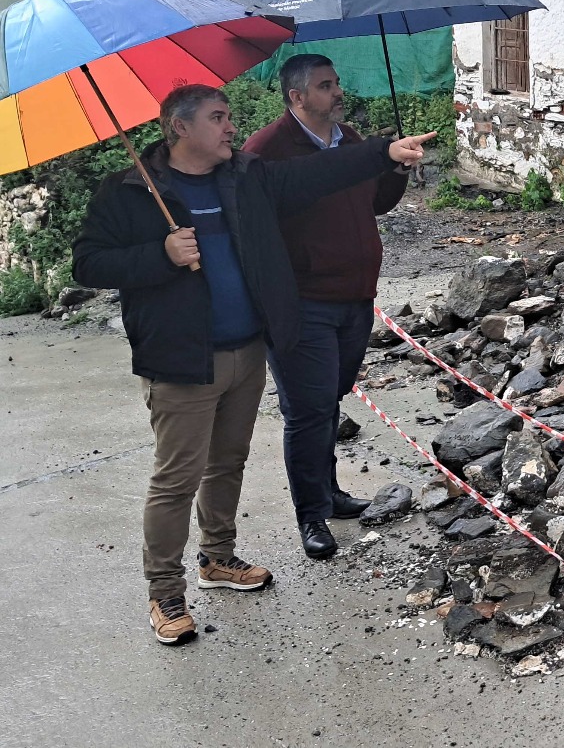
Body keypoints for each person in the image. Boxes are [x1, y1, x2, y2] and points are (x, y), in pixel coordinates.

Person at [72, 84, 432, 646]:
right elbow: (87, 262)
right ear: (179, 127)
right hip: (181, 359)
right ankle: (165, 591)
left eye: (230, 117)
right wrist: (158, 256)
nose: (231, 127)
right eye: (218, 118)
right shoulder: (130, 191)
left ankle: (217, 558)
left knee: (227, 464)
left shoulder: (244, 176)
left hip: (246, 349)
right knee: (175, 480)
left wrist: (381, 153)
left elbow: (316, 175)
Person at [242, 54, 409, 561]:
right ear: (297, 97)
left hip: (355, 297)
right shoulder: (268, 151)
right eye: (326, 86)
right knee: (308, 411)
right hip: (302, 303)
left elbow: (374, 201)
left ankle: (330, 494)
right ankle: (311, 515)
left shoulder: (351, 140)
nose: (338, 93)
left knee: (328, 400)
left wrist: (396, 167)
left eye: (336, 83)